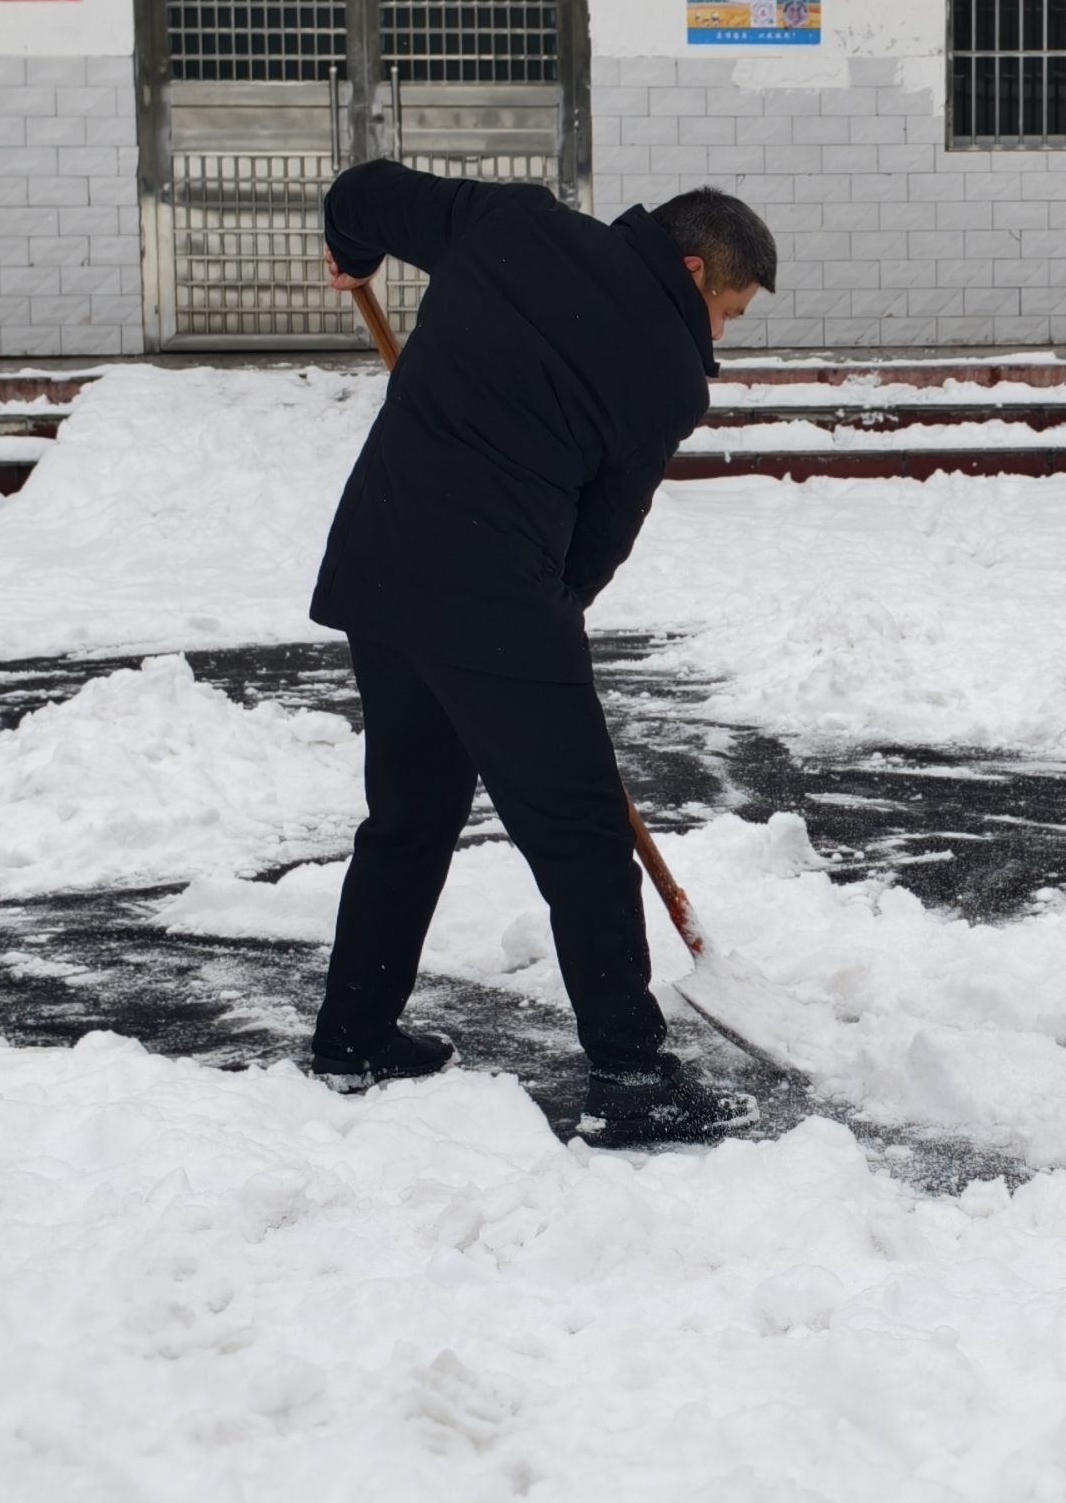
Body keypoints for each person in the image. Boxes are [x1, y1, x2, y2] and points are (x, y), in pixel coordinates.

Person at [305, 159, 776, 1145]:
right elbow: (600, 537)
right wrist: (545, 618)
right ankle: (632, 1077)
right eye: (728, 311)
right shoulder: (667, 374)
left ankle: (353, 1037)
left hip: (380, 571)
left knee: (408, 817)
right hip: (495, 607)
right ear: (693, 271)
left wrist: (352, 259)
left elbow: (359, 197)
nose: (722, 336)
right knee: (582, 842)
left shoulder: (508, 224)